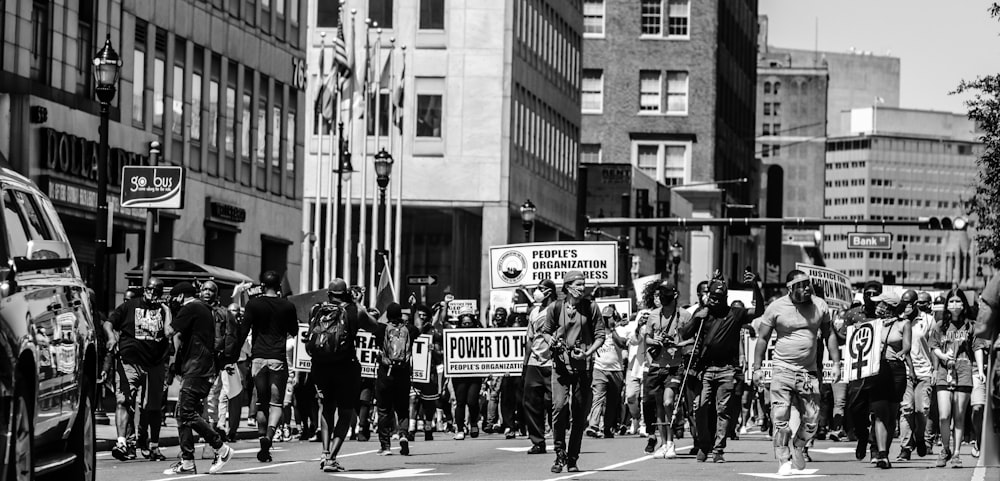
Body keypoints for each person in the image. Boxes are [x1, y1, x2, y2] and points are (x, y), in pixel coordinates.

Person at [753, 270, 840, 476]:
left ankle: (799, 445)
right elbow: (763, 338)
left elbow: (829, 334)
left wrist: (836, 363)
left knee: (812, 419)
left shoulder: (820, 305)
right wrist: (757, 368)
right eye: (800, 285)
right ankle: (783, 458)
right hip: (782, 369)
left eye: (807, 284)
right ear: (790, 288)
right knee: (780, 416)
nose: (806, 289)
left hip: (808, 373)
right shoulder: (776, 307)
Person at [683, 271, 763, 463]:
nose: (715, 301)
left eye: (719, 298)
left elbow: (758, 311)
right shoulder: (703, 313)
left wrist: (755, 288)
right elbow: (685, 334)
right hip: (706, 369)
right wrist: (696, 318)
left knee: (723, 410)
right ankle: (704, 443)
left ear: (725, 298)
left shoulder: (735, 314)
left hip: (727, 369)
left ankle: (718, 449)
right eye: (713, 297)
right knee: (699, 407)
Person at [306, 279, 379, 471]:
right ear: (347, 293)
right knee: (346, 411)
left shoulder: (315, 309)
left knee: (326, 408)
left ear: (328, 293)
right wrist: (358, 302)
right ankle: (332, 458)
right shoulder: (355, 310)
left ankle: (324, 451)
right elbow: (374, 326)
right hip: (346, 368)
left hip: (320, 367)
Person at [163, 282, 233, 475]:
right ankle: (187, 461)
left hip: (197, 369)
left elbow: (169, 331)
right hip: (198, 368)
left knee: (186, 413)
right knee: (182, 414)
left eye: (173, 298)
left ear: (180, 296)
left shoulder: (191, 307)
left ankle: (221, 448)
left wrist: (166, 310)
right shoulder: (202, 308)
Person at [542, 271, 607, 473]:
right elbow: (545, 331)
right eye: (578, 284)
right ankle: (559, 453)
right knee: (559, 408)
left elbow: (600, 336)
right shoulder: (555, 307)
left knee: (579, 415)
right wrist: (550, 339)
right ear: (568, 286)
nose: (582, 288)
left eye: (584, 284)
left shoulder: (591, 307)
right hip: (560, 366)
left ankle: (572, 458)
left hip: (583, 368)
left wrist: (587, 352)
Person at [107, 276, 172, 462]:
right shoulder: (130, 306)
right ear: (145, 290)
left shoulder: (163, 310)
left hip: (154, 364)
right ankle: (121, 442)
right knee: (123, 401)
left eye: (157, 291)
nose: (152, 294)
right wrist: (111, 337)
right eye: (150, 290)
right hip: (129, 362)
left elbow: (169, 332)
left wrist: (167, 311)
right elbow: (108, 323)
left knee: (151, 408)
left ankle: (150, 444)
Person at [241, 270, 299, 463]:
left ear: (262, 286)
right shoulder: (287, 306)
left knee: (261, 402)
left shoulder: (253, 304)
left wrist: (232, 354)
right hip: (277, 359)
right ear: (280, 287)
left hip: (258, 359)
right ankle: (269, 437)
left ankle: (261, 440)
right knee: (276, 403)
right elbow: (294, 330)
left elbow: (244, 330)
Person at [639, 280, 692, 460]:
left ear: (674, 296)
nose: (662, 298)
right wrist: (657, 341)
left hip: (675, 366)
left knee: (669, 402)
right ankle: (663, 442)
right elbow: (647, 339)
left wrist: (678, 344)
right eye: (660, 295)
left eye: (666, 295)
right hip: (656, 366)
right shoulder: (653, 315)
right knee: (659, 407)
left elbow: (693, 340)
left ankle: (671, 442)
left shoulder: (684, 316)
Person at [865, 290, 915, 469]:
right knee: (879, 413)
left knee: (892, 413)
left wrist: (901, 353)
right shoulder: (872, 325)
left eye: (881, 304)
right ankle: (882, 454)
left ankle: (884, 450)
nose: (877, 307)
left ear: (890, 306)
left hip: (896, 370)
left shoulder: (904, 324)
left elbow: (907, 346)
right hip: (878, 370)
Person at [928, 289, 976, 468]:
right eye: (951, 301)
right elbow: (933, 346)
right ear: (947, 305)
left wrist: (979, 371)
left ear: (964, 305)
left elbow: (977, 347)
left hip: (964, 373)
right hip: (943, 374)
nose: (955, 305)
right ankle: (945, 449)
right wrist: (942, 357)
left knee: (959, 416)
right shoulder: (940, 325)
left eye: (958, 301)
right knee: (944, 415)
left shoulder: (970, 326)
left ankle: (956, 454)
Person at [373, 302, 422, 456]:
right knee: (402, 409)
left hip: (385, 374)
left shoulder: (382, 329)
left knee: (383, 410)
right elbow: (419, 328)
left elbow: (367, 323)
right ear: (401, 314)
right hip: (403, 375)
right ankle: (403, 435)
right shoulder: (409, 330)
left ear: (387, 315)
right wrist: (414, 310)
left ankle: (385, 446)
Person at [842, 280, 882, 461]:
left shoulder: (884, 315)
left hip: (879, 369)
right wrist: (852, 330)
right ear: (863, 295)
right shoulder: (852, 315)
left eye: (875, 293)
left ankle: (875, 446)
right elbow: (843, 336)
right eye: (868, 293)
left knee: (877, 410)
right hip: (858, 369)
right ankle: (862, 436)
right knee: (855, 407)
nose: (871, 297)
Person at [898, 291, 936, 460]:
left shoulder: (928, 320)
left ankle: (919, 437)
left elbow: (934, 346)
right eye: (903, 302)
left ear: (915, 304)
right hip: (904, 372)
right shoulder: (899, 320)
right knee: (906, 408)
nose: (906, 306)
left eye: (909, 303)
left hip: (924, 372)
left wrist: (935, 369)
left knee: (922, 410)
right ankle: (905, 448)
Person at [523, 279, 557, 454]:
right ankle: (538, 441)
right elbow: (529, 338)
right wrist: (525, 361)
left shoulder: (557, 309)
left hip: (553, 363)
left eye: (540, 289)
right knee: (531, 402)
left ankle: (559, 439)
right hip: (534, 363)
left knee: (555, 403)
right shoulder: (534, 311)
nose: (537, 292)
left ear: (550, 292)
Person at [586, 306, 627, 439]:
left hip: (616, 370)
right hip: (600, 368)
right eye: (603, 318)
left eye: (607, 318)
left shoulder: (620, 330)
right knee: (598, 398)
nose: (604, 320)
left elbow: (622, 344)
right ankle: (593, 425)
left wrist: (612, 329)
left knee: (612, 401)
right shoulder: (596, 331)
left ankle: (607, 428)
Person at [452, 311, 485, 440]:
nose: (466, 325)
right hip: (459, 374)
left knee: (472, 401)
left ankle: (473, 423)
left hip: (474, 373)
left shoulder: (478, 334)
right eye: (464, 323)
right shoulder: (453, 335)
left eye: (469, 323)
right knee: (460, 402)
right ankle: (460, 428)